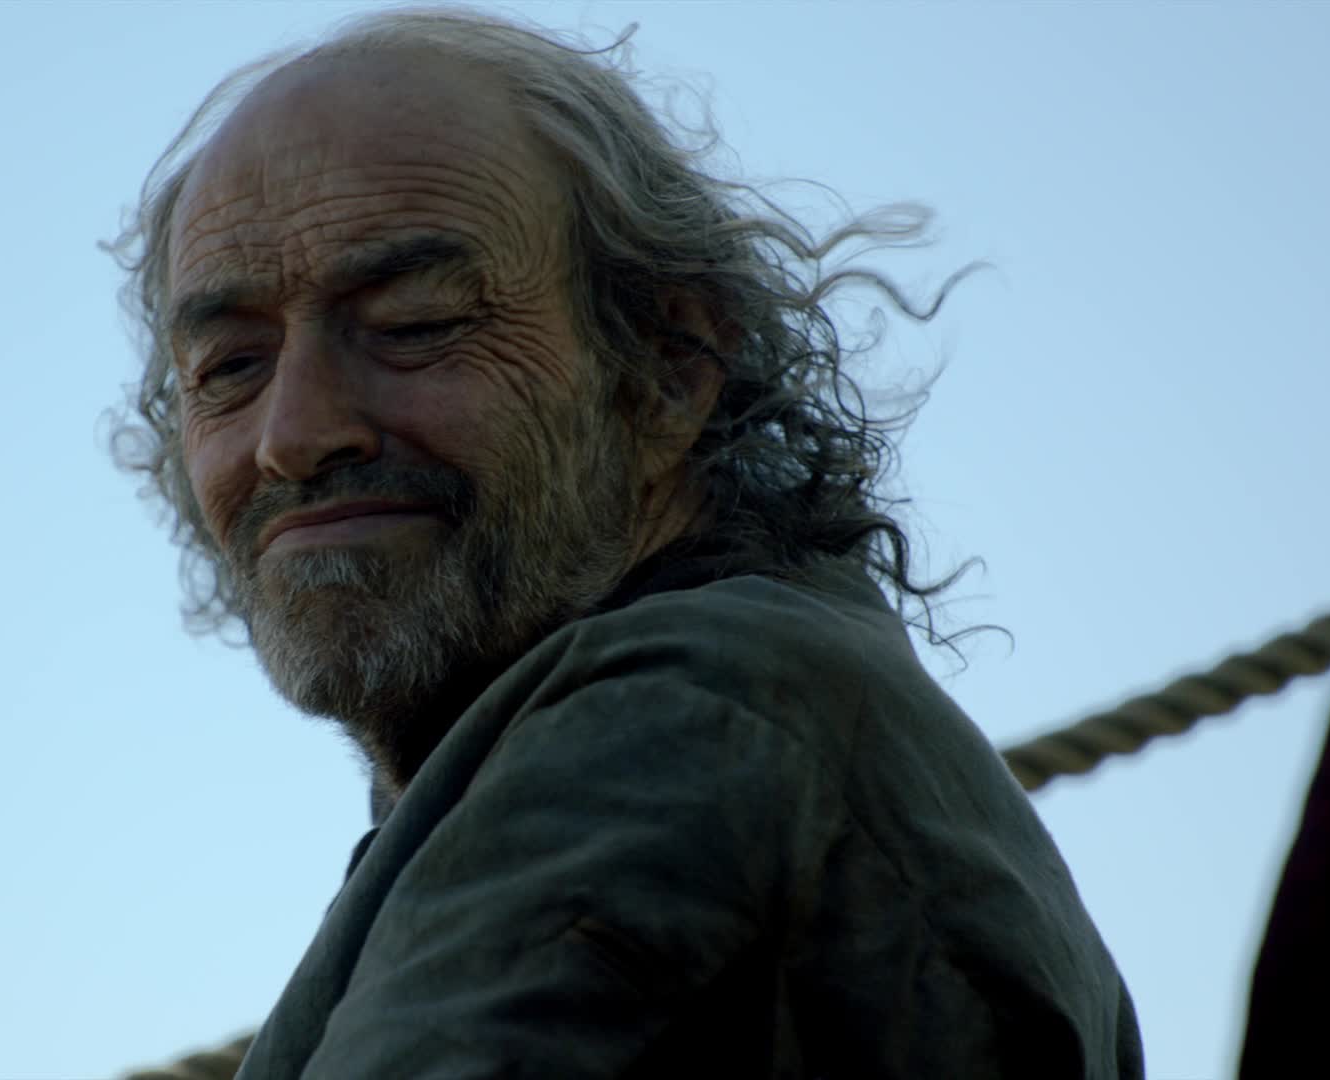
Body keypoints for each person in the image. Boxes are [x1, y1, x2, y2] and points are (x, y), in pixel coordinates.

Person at [105, 8, 1143, 1077]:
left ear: (665, 370)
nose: (291, 436)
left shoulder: (690, 713)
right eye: (229, 366)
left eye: (416, 321)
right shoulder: (685, 722)